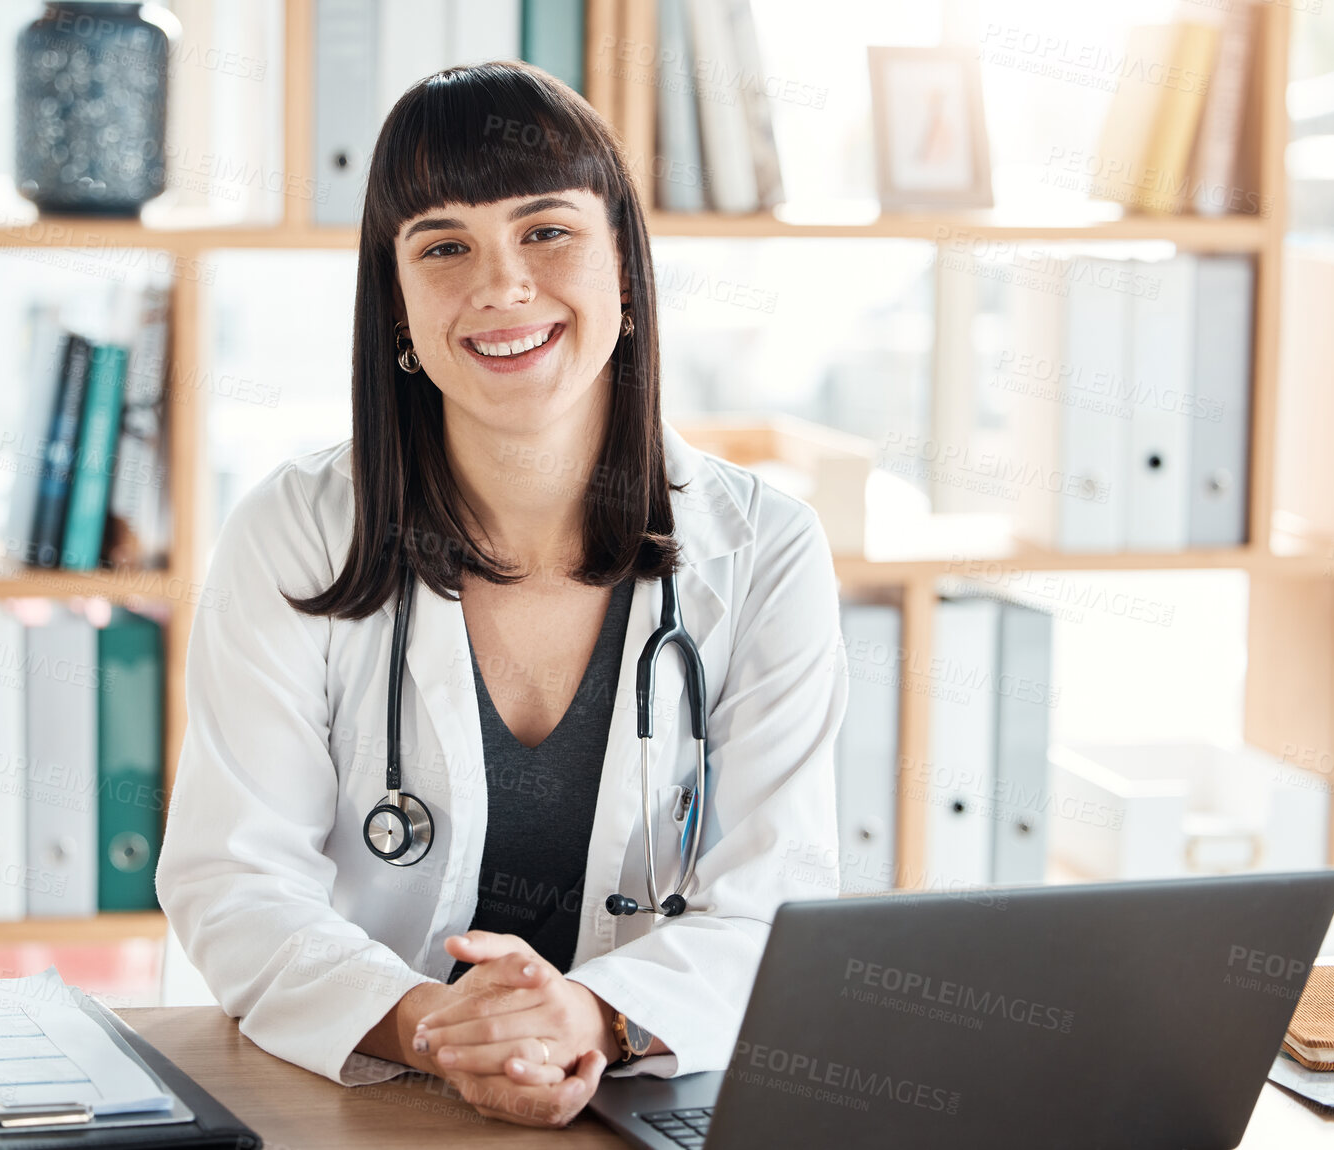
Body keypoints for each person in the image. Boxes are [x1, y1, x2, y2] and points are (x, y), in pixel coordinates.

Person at [155, 59, 846, 1129]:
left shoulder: (765, 550)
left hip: (651, 1103)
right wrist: (436, 1026)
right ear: (395, 306)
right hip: (370, 1107)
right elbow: (233, 881)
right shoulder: (293, 533)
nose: (501, 285)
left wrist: (593, 1019)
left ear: (625, 268)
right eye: (443, 247)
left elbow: (775, 905)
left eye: (546, 231)